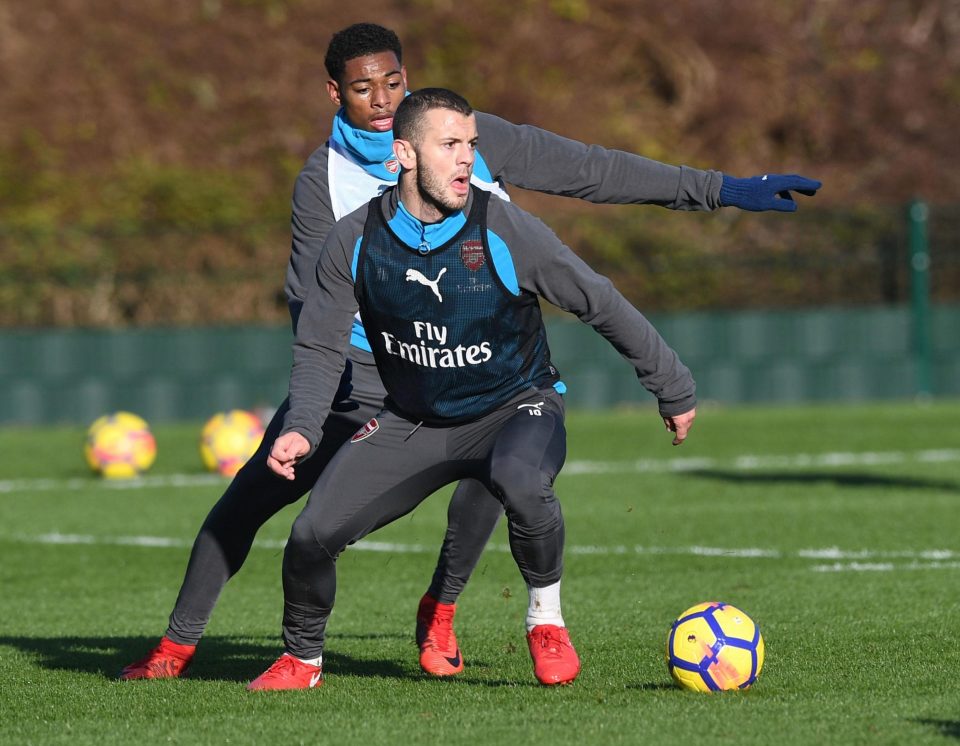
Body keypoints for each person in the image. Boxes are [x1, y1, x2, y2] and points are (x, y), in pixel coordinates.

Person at [119, 23, 820, 682]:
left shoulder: (466, 139)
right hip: (362, 374)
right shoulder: (322, 184)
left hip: (477, 364)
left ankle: (442, 612)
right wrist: (325, 403)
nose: (382, 100)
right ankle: (175, 647)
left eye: (393, 83)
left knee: (500, 462)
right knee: (255, 499)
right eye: (364, 89)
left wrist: (722, 189)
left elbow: (598, 171)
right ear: (335, 93)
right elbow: (314, 305)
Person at [247, 87, 698, 690]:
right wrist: (302, 426)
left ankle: (545, 619)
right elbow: (321, 345)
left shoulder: (506, 227)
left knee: (519, 479)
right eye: (450, 145)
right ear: (402, 154)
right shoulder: (353, 241)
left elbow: (599, 301)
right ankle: (302, 660)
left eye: (472, 144)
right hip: (415, 421)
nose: (466, 159)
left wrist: (670, 385)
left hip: (517, 406)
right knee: (309, 535)